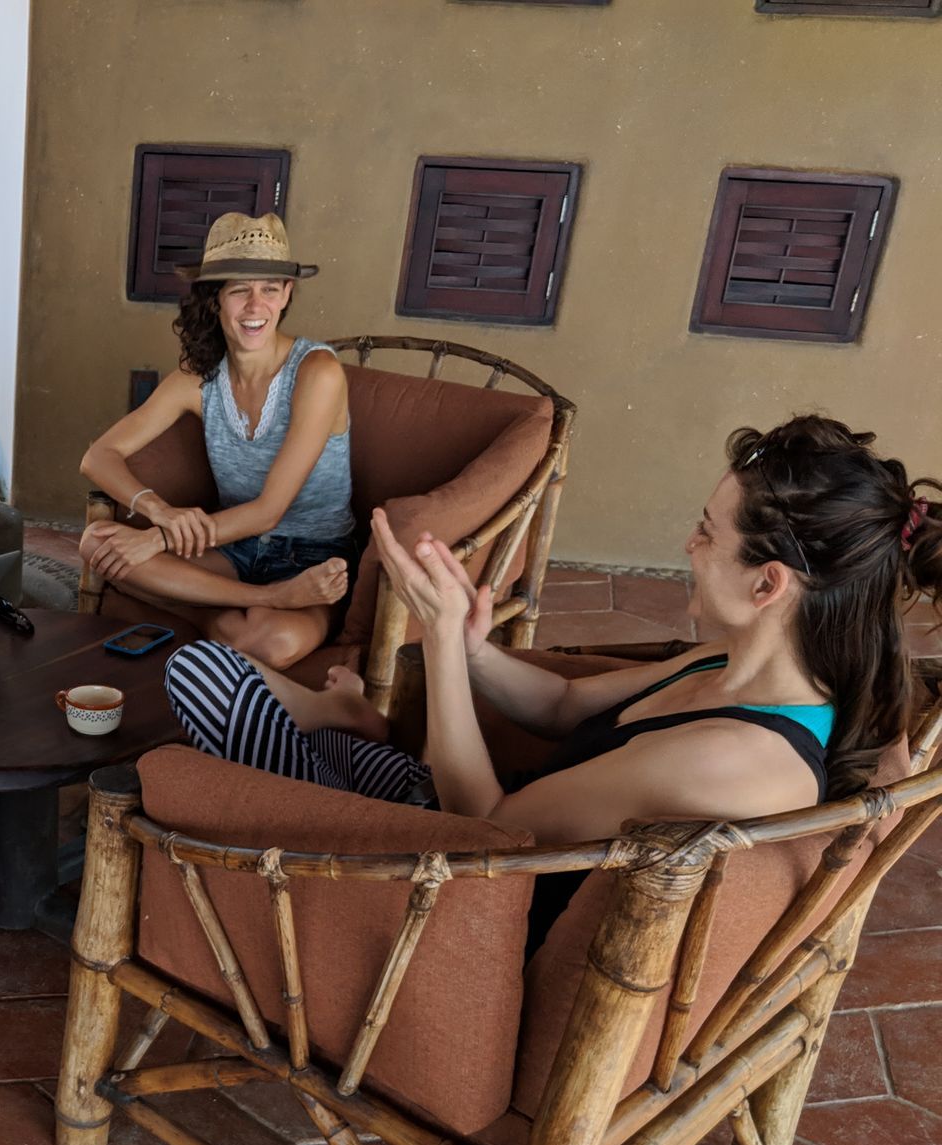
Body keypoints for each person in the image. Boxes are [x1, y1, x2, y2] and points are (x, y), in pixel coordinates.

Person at [164, 415, 941, 851]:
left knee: (200, 683)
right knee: (239, 696)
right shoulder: (744, 664)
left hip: (446, 882)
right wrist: (471, 646)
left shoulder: (733, 760)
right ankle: (345, 731)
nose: (689, 548)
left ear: (769, 584)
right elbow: (566, 708)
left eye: (707, 533)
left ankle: (336, 738)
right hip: (446, 809)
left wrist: (435, 645)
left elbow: (488, 829)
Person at [77, 211, 358, 672]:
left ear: (287, 294)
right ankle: (261, 599)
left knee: (273, 642)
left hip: (312, 554)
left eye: (270, 289)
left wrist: (160, 541)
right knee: (95, 541)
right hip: (234, 551)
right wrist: (158, 511)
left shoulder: (317, 373)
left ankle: (209, 613)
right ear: (214, 299)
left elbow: (270, 511)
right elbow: (98, 456)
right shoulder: (199, 380)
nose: (255, 306)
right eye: (238, 290)